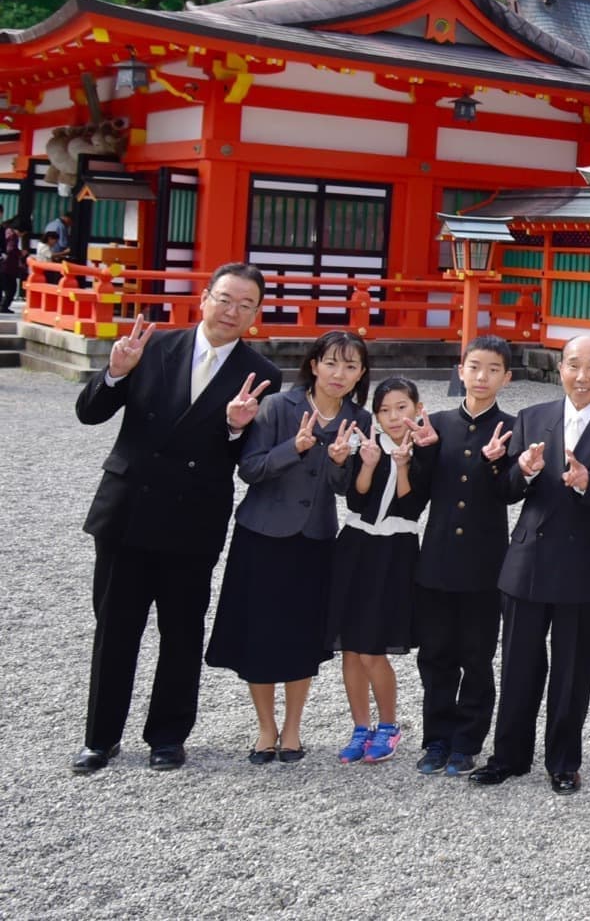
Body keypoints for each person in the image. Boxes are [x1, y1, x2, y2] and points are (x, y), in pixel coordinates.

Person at [72, 264, 278, 774]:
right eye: (225, 299)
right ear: (204, 298)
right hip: (127, 510)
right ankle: (100, 738)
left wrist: (235, 429)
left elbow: (251, 459)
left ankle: (168, 735)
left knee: (181, 631)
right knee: (115, 627)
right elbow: (89, 413)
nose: (232, 312)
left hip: (194, 518)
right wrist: (115, 372)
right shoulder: (153, 347)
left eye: (245, 305)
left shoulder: (261, 374)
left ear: (256, 314)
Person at [471, 335, 590, 795]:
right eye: (572, 365)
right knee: (519, 663)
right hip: (529, 557)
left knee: (572, 669)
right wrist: (520, 470)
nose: (581, 376)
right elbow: (506, 490)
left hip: (587, 561)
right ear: (560, 369)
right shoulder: (533, 417)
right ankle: (509, 755)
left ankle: (563, 761)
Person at [208, 330, 373, 765]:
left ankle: (294, 728)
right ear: (314, 364)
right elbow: (249, 469)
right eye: (332, 363)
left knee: (301, 635)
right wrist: (294, 448)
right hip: (262, 535)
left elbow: (348, 491)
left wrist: (341, 463)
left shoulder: (359, 420)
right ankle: (266, 729)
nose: (340, 374)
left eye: (351, 366)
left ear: (361, 374)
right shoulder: (278, 407)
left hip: (315, 539)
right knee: (260, 634)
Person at [410, 335, 517, 777]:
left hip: (484, 560)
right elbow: (415, 494)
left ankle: (467, 740)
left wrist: (498, 463)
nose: (482, 377)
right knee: (434, 654)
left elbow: (513, 492)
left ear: (507, 378)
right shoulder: (434, 424)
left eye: (493, 369)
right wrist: (424, 452)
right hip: (436, 557)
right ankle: (435, 738)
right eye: (474, 367)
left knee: (476, 654)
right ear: (461, 370)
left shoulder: (514, 427)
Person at [329, 377, 430, 764]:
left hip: (395, 549)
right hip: (355, 545)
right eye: (385, 410)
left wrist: (403, 467)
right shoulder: (366, 444)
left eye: (401, 407)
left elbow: (411, 506)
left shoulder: (426, 448)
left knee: (373, 648)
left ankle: (389, 724)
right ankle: (360, 726)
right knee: (350, 648)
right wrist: (368, 464)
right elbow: (355, 497)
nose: (393, 416)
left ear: (417, 409)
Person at [0, 216, 25, 311]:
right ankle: (4, 306)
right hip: (8, 266)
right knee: (11, 288)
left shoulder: (6, 231)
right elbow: (11, 249)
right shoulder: (13, 235)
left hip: (3, 265)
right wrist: (20, 253)